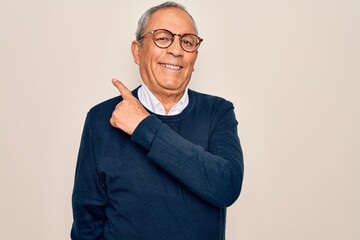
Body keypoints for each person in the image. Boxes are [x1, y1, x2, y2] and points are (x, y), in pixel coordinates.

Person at [71, 1, 244, 240]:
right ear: (137, 51)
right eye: (163, 38)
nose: (176, 50)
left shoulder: (217, 112)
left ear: (195, 56)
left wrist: (144, 127)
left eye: (187, 41)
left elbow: (226, 186)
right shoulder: (102, 119)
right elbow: (86, 221)